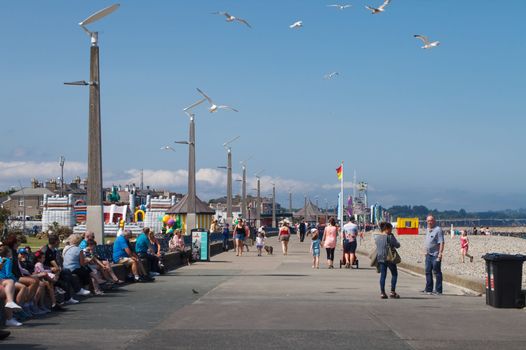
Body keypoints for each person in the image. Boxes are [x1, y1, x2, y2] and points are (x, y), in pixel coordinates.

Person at [40, 234, 80, 305]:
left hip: (54, 270)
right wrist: (51, 268)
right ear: (55, 242)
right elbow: (39, 264)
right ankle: (75, 292)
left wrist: (58, 268)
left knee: (67, 274)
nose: (60, 242)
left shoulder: (53, 250)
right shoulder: (45, 250)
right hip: (46, 271)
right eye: (58, 241)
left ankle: (68, 297)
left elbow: (54, 262)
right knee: (66, 273)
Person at [375, 222, 400, 299]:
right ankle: (392, 291)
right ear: (387, 229)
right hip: (389, 258)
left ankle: (382, 292)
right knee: (394, 274)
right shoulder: (390, 236)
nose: (391, 231)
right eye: (390, 229)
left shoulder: (377, 237)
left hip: (380, 258)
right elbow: (397, 245)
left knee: (383, 275)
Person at [423, 215, 444, 295]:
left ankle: (438, 290)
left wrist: (440, 254)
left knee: (437, 272)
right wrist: (425, 250)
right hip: (428, 254)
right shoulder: (428, 229)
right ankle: (429, 289)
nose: (429, 222)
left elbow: (441, 242)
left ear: (434, 221)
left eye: (431, 220)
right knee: (427, 271)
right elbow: (427, 241)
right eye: (428, 221)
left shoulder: (438, 230)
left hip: (435, 254)